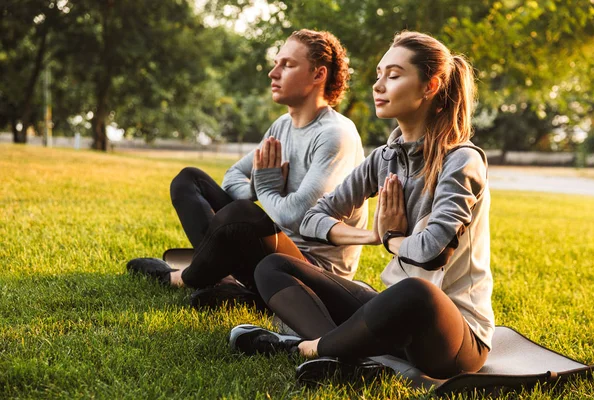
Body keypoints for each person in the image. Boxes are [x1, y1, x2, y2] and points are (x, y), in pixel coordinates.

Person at [229, 31, 495, 381]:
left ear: (430, 87)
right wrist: (371, 235)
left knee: (417, 292)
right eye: (378, 75)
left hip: (453, 335)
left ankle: (308, 346)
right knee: (274, 266)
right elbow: (312, 218)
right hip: (392, 312)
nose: (379, 86)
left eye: (394, 75)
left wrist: (392, 239)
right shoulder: (385, 158)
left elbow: (433, 252)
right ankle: (347, 359)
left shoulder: (462, 161)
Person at [127, 29, 368, 309]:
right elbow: (232, 177)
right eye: (276, 63)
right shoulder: (282, 126)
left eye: (287, 65)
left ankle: (186, 277)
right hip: (272, 250)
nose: (273, 73)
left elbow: (296, 216)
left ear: (318, 75)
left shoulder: (335, 134)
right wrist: (258, 186)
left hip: (315, 271)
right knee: (189, 180)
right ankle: (228, 280)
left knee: (242, 214)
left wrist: (265, 187)